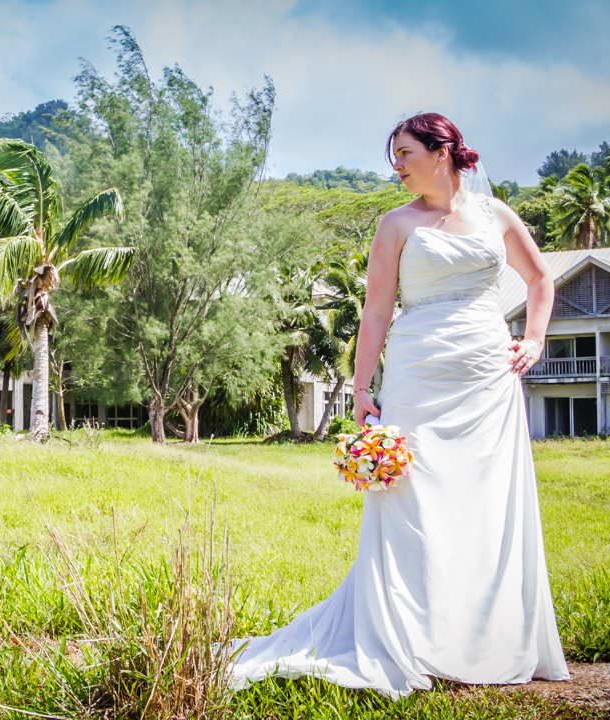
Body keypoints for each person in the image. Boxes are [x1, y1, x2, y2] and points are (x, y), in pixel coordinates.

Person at [227, 113, 570, 697]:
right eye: (394, 155)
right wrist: (362, 390)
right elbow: (377, 312)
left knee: (488, 503)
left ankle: (485, 637)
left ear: (443, 152)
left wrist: (534, 338)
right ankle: (411, 636)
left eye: (405, 152)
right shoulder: (396, 224)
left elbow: (540, 280)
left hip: (488, 376)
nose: (397, 166)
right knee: (415, 503)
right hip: (419, 376)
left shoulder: (496, 215)